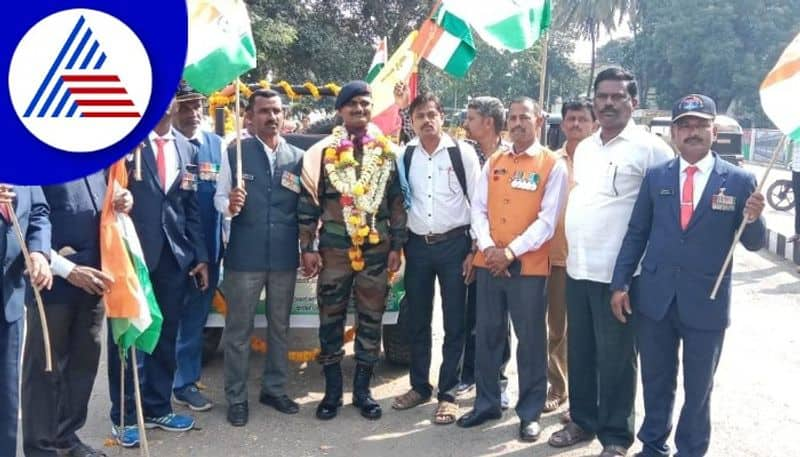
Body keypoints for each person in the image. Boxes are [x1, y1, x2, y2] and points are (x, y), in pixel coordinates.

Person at [610, 94, 766, 457]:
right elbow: (636, 233)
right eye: (684, 126)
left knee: (699, 388)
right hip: (655, 298)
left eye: (700, 125)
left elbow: (754, 243)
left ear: (714, 131)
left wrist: (756, 217)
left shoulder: (740, 180)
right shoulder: (656, 177)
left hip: (706, 302)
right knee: (656, 381)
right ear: (674, 133)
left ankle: (691, 449)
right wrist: (620, 283)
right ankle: (652, 446)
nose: (692, 132)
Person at [549, 67, 674, 457]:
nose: (607, 103)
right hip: (579, 267)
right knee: (582, 351)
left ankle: (617, 436)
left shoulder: (651, 148)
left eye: (616, 96)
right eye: (601, 96)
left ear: (632, 102)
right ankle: (583, 420)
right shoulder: (585, 147)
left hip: (620, 276)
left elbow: (663, 214)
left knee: (617, 358)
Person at [458, 97, 568, 444]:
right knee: (487, 336)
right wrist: (489, 248)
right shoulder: (495, 160)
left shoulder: (552, 164)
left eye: (525, 117)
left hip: (528, 267)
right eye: (514, 117)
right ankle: (487, 403)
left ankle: (530, 412)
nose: (518, 122)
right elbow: (478, 209)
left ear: (539, 121)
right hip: (490, 263)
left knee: (531, 341)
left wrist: (510, 251)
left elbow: (547, 221)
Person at [299, 80, 406, 421]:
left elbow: (396, 201)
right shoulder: (325, 151)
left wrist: (398, 245)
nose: (360, 110)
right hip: (334, 249)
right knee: (330, 316)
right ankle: (332, 391)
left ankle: (362, 390)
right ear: (340, 111)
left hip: (376, 248)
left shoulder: (386, 151)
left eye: (365, 104)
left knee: (371, 318)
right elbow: (308, 205)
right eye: (352, 105)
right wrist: (307, 247)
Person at [107, 101, 209, 447]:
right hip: (132, 253)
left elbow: (190, 206)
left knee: (165, 333)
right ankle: (123, 415)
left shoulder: (187, 148)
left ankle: (157, 406)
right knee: (129, 335)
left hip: (174, 258)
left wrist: (200, 256)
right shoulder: (125, 143)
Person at [22, 172, 131, 457]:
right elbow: (31, 219)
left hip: (95, 278)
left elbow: (105, 205)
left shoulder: (95, 161)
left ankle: (66, 439)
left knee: (82, 365)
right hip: (52, 283)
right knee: (46, 369)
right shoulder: (40, 159)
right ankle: (41, 447)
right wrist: (64, 267)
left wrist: (122, 200)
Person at [214, 89, 304, 427]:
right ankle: (236, 397)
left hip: (283, 256)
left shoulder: (297, 155)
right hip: (244, 255)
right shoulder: (235, 151)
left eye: (277, 110)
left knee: (280, 328)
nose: (272, 117)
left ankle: (275, 389)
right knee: (238, 331)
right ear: (250, 117)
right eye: (264, 111)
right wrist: (230, 205)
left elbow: (304, 208)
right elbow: (218, 199)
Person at [390, 92, 480, 425]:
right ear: (411, 122)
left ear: (442, 116)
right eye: (419, 116)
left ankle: (448, 394)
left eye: (432, 114)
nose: (426, 121)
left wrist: (474, 249)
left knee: (455, 321)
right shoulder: (406, 155)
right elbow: (399, 203)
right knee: (417, 320)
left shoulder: (463, 153)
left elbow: (479, 203)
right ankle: (419, 386)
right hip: (417, 247)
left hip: (455, 245)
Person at [171, 81, 225, 412]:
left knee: (194, 320)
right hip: (171, 249)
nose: (193, 113)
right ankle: (151, 387)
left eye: (197, 106)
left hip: (209, 248)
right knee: (162, 321)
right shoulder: (159, 146)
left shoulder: (218, 145)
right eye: (185, 106)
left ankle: (184, 383)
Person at [457, 95, 512, 410]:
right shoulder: (467, 153)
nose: (467, 123)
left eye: (472, 118)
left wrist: (487, 248)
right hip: (471, 246)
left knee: (497, 321)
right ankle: (470, 375)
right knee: (471, 315)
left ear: (488, 122)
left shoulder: (508, 157)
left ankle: (498, 381)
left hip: (499, 252)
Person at [544, 99, 597, 416]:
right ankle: (558, 388)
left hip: (594, 260)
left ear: (593, 124)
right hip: (557, 258)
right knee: (558, 330)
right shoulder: (550, 162)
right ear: (563, 125)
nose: (576, 124)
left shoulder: (603, 160)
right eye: (571, 119)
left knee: (590, 332)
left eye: (582, 119)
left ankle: (585, 397)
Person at [1, 184, 51, 456]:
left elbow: (39, 212)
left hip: (10, 300)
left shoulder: (23, 161)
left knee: (6, 403)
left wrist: (39, 253)